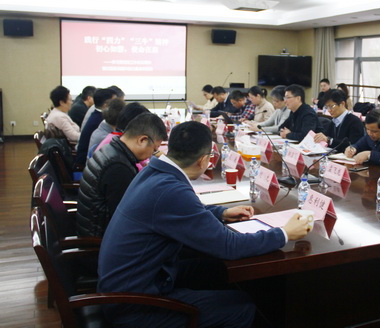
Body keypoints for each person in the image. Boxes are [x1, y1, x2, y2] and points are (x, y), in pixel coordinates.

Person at [97, 121, 310, 327]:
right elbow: (230, 246)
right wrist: (284, 233)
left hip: (137, 281)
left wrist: (221, 212)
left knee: (214, 269)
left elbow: (180, 210)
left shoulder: (155, 172)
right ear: (202, 161)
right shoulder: (170, 189)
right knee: (241, 307)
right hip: (136, 305)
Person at [77, 112, 168, 238]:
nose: (151, 155)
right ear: (142, 140)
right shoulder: (118, 167)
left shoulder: (112, 149)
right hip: (101, 238)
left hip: (96, 226)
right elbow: (129, 217)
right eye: (154, 150)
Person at [75, 88, 117, 167]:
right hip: (84, 164)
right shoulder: (100, 120)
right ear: (105, 105)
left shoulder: (96, 115)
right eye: (114, 103)